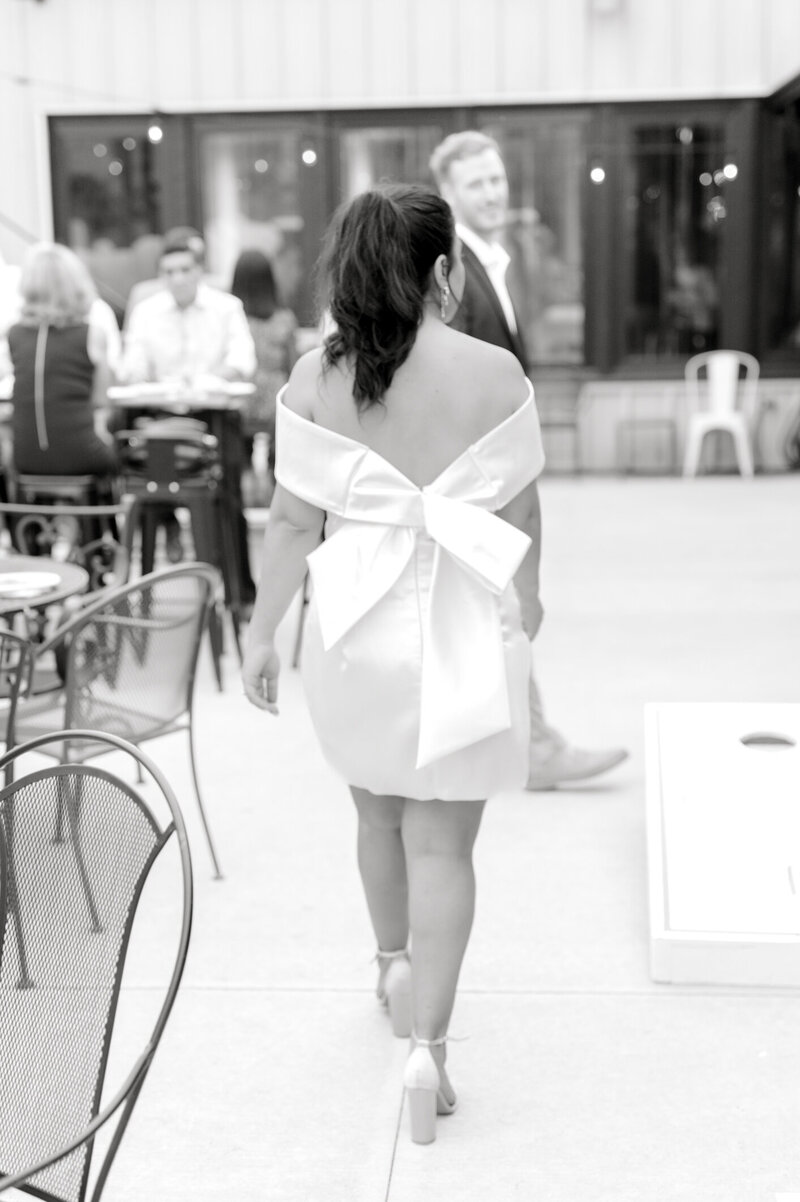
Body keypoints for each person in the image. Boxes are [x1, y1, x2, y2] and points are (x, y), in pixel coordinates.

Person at [243, 184, 544, 1145]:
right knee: (445, 848)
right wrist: (528, 606)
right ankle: (430, 1054)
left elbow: (292, 523)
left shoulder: (313, 377)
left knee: (375, 811)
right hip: (458, 625)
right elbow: (523, 518)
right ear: (443, 273)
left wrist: (260, 632)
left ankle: (390, 963)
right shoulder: (495, 373)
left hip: (355, 628)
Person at [429, 130, 628, 791]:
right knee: (503, 603)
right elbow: (449, 372)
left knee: (486, 606)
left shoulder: (494, 259)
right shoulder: (451, 265)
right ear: (449, 193)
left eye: (497, 179)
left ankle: (504, 739)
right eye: (478, 182)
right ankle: (535, 745)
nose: (494, 192)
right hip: (472, 470)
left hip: (490, 465)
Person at [120, 230, 257, 597]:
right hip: (161, 418)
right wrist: (137, 373)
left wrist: (207, 379)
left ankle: (238, 592)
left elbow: (243, 362)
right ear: (161, 276)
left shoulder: (226, 307)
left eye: (184, 269)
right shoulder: (146, 313)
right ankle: (152, 570)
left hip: (211, 414)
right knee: (146, 482)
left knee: (228, 497)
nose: (177, 278)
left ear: (199, 271)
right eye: (169, 271)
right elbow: (131, 367)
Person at [6, 242, 116, 492]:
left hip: (26, 456)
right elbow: (102, 402)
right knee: (121, 454)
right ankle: (106, 525)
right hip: (81, 453)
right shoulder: (91, 335)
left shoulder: (14, 334)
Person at [230, 249, 298, 502]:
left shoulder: (233, 318)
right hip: (274, 400)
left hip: (241, 398)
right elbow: (292, 365)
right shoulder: (283, 319)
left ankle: (246, 484)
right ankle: (272, 484)